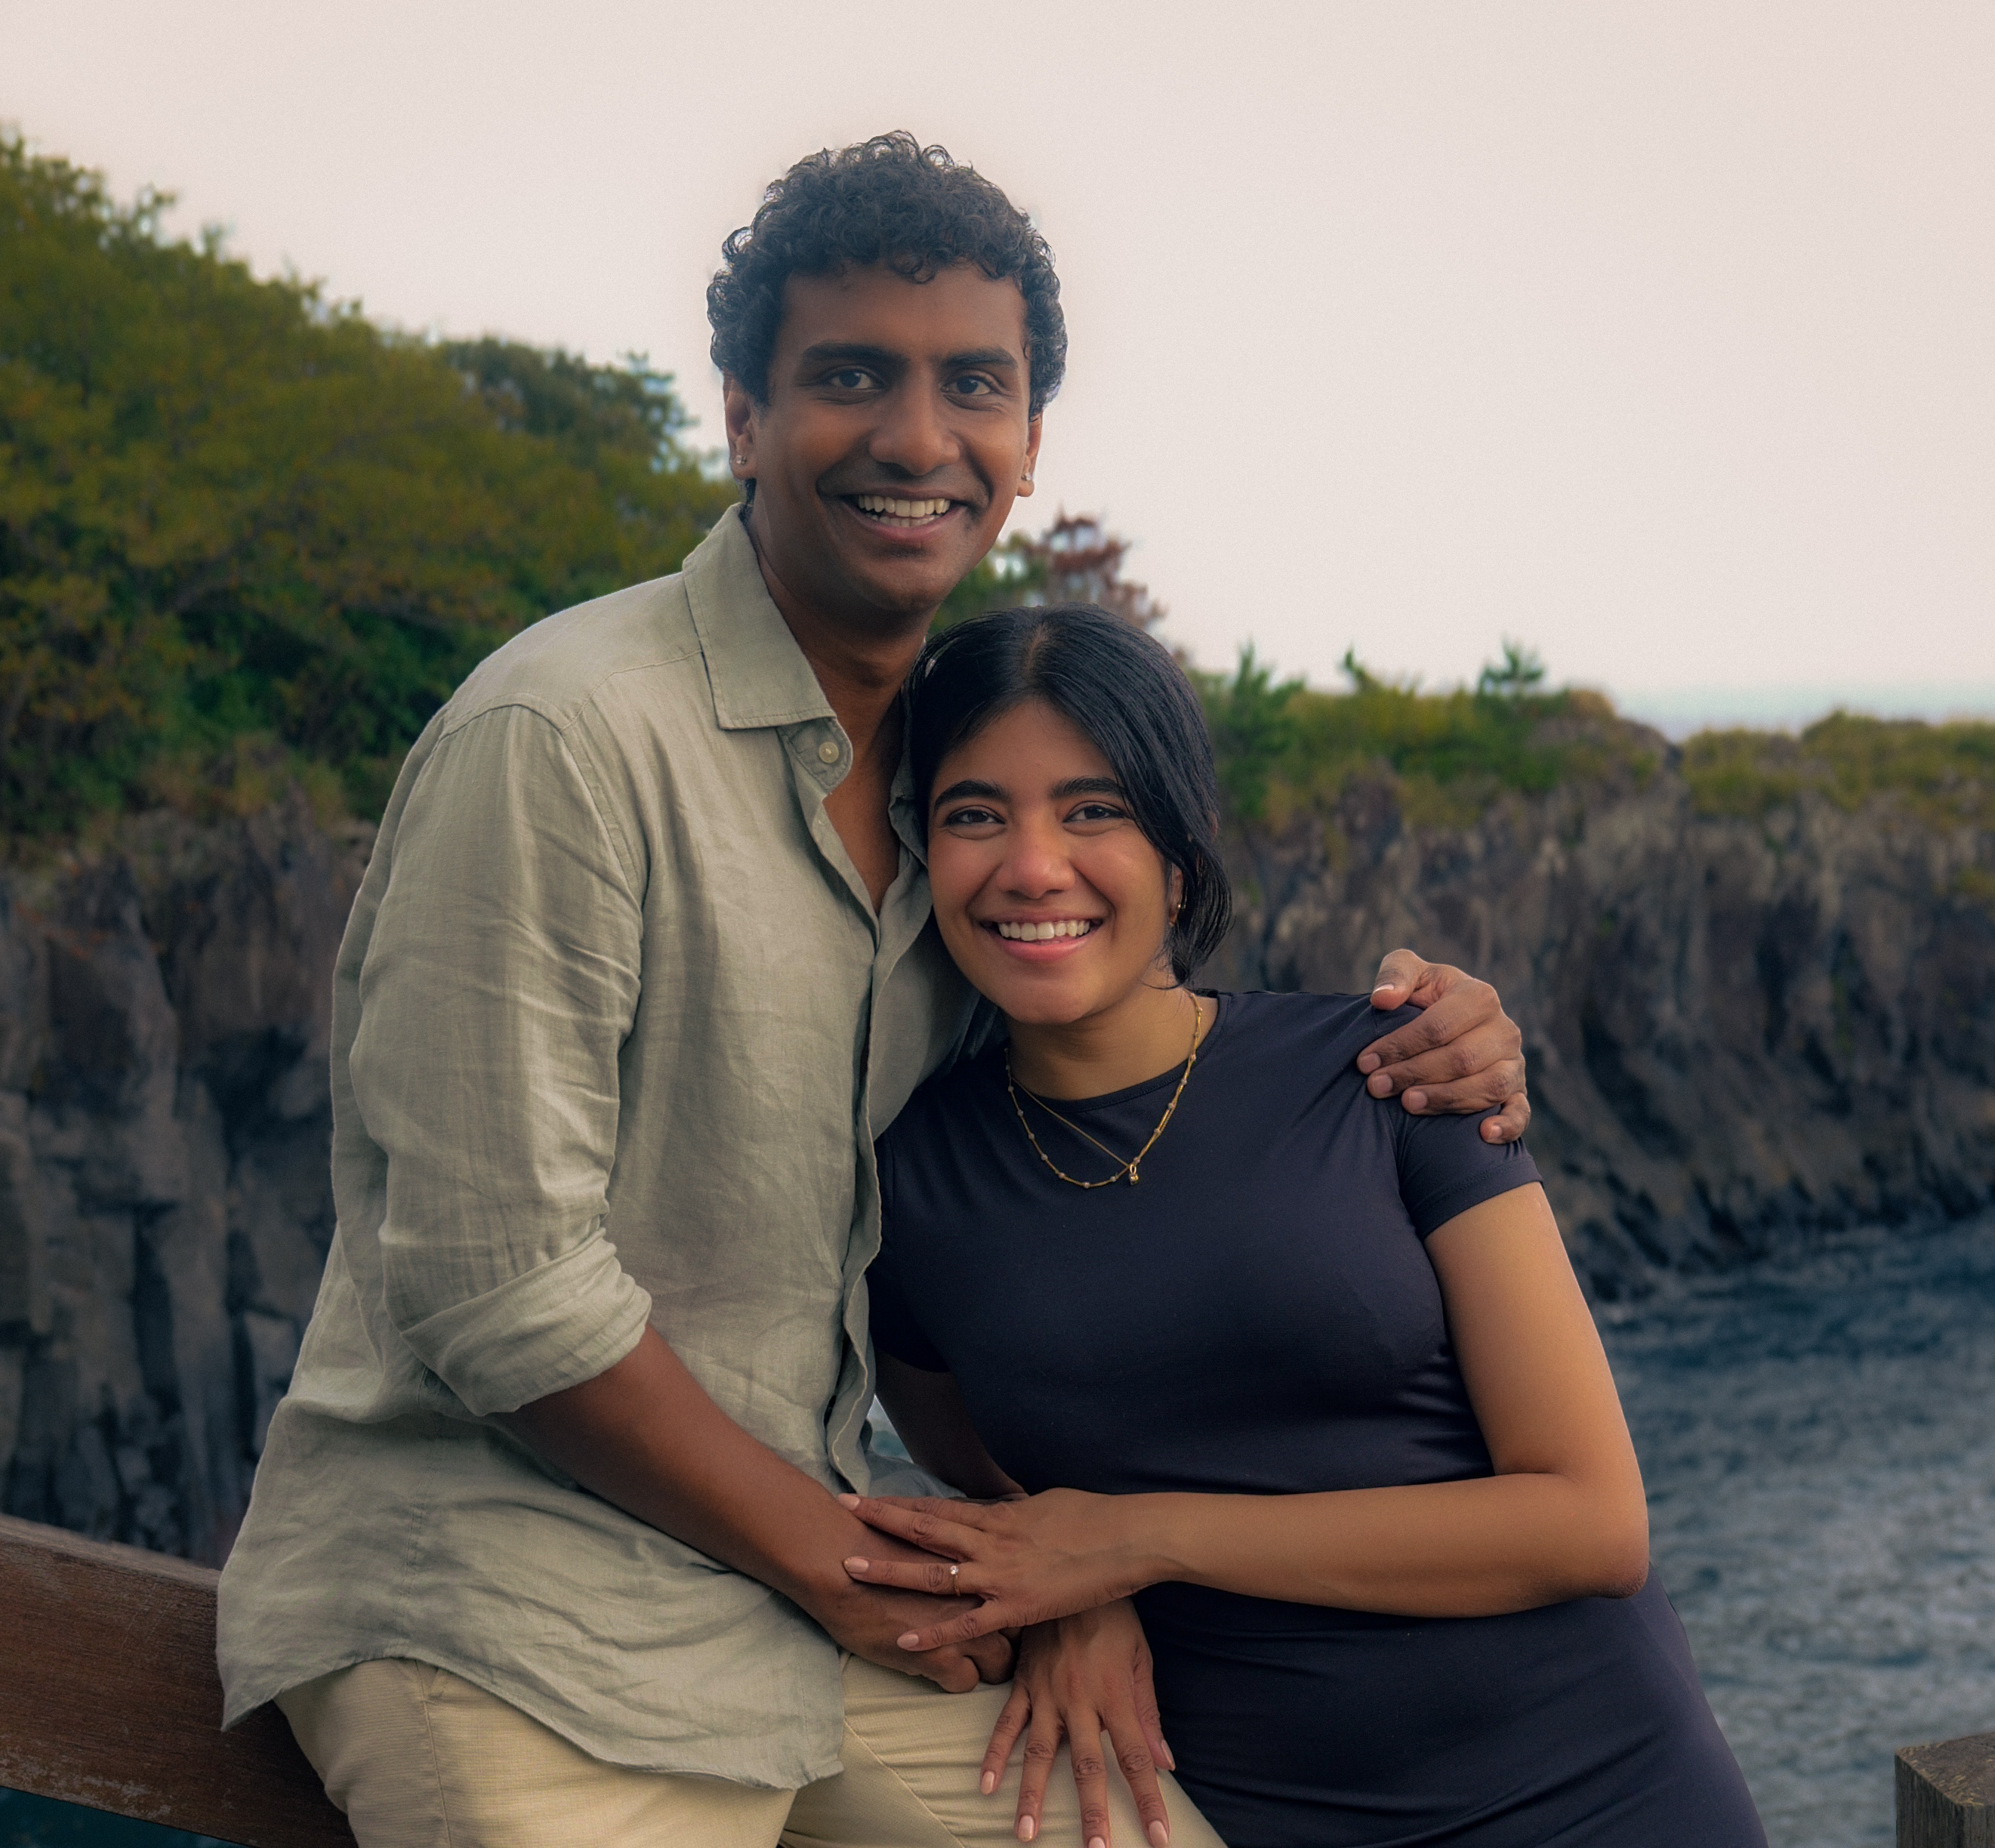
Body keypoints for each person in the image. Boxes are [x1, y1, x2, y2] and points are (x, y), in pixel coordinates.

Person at [216, 134, 1534, 1848]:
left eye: (972, 385)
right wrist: (851, 1563)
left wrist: (1052, 1562)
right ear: (743, 418)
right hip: (502, 1615)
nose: (918, 438)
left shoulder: (963, 799)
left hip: (791, 1600)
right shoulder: (564, 736)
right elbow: (497, 1289)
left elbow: (1098, 1110)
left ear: (1028, 443)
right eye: (851, 375)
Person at [851, 603, 1768, 1848]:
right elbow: (983, 1477)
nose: (1033, 866)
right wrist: (1071, 1597)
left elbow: (1591, 1524)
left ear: (1180, 857)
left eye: (1093, 810)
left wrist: (1131, 1542)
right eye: (975, 815)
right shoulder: (911, 1183)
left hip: (1601, 1791)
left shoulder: (1393, 1072)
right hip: (1254, 1817)